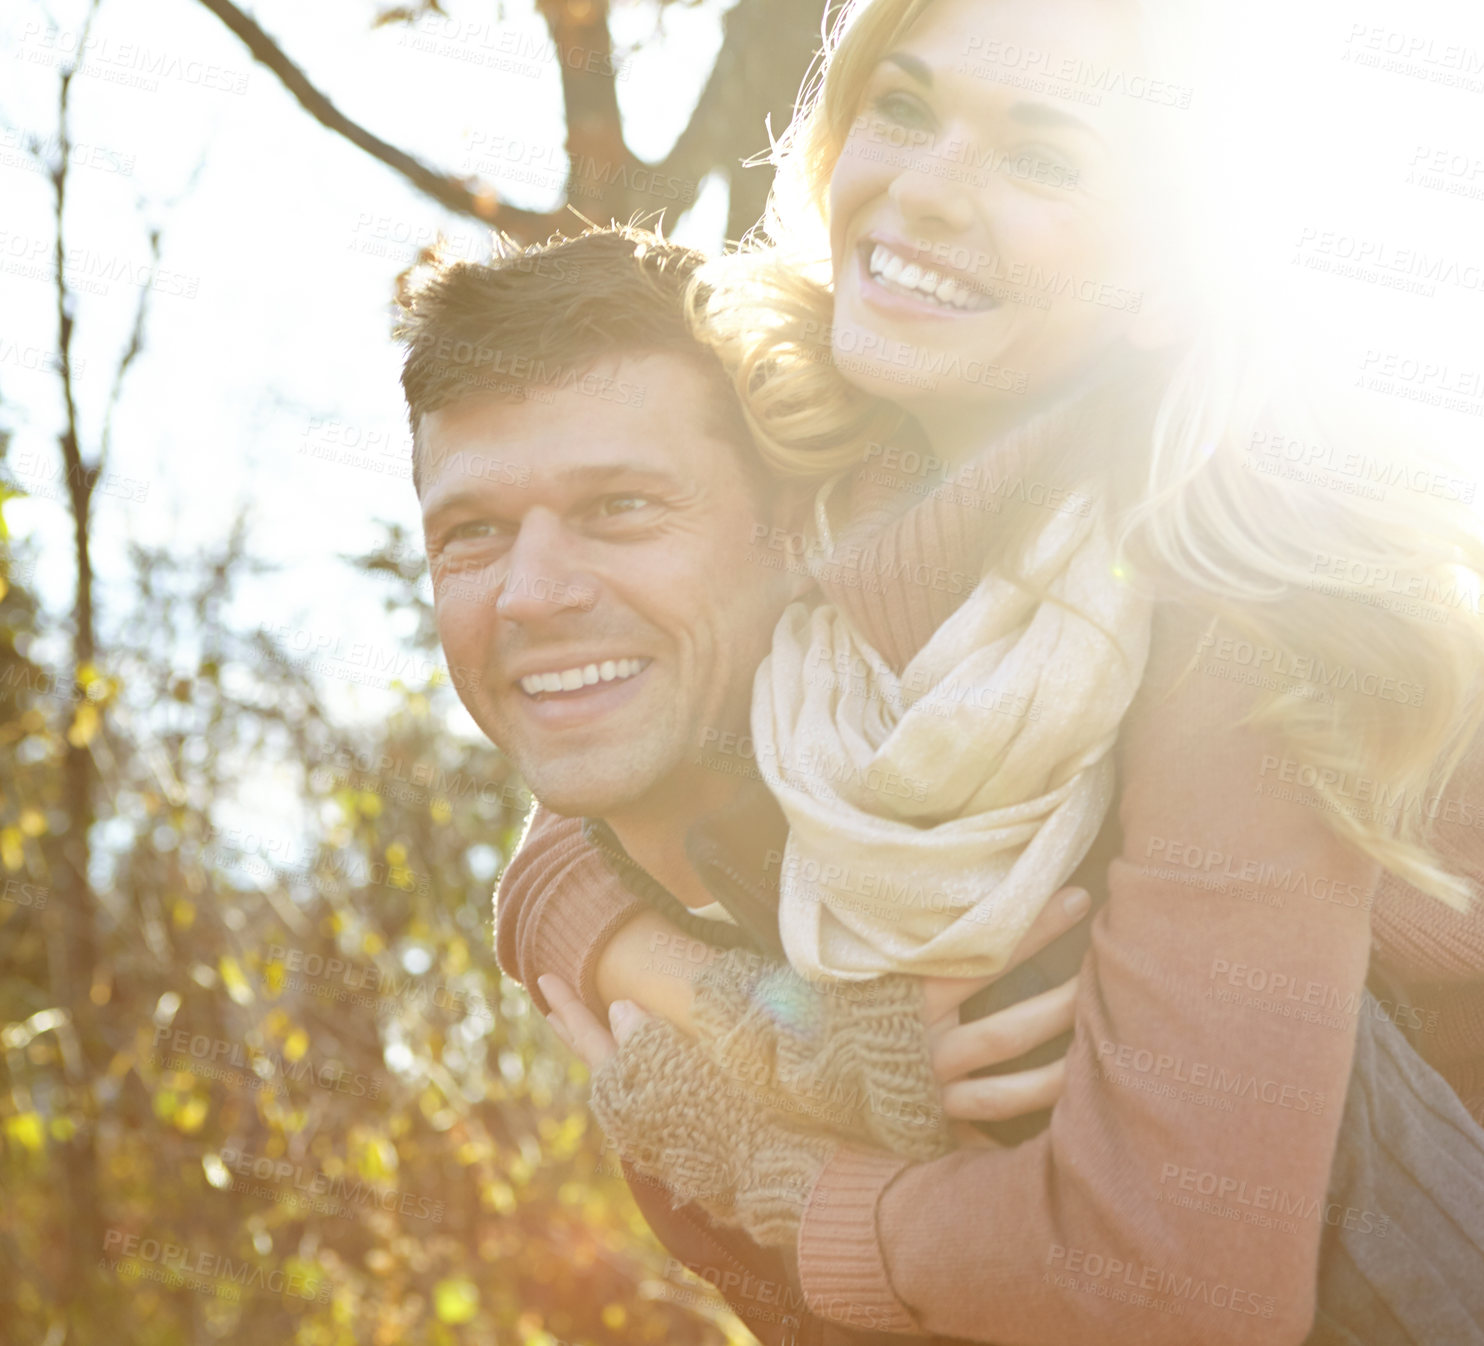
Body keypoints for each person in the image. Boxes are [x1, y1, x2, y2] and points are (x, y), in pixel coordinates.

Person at [493, 0, 1484, 1341]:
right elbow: (588, 763)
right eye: (902, 110)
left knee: (1023, 995)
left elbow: (1178, 1289)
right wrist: (702, 995)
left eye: (1044, 159)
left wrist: (805, 1180)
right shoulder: (805, 486)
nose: (925, 192)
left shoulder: (1238, 597)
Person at [396, 226, 1090, 1345]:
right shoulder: (649, 1040)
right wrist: (754, 1083)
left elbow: (1160, 1285)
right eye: (470, 533)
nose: (528, 592)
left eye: (618, 505)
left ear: (786, 527)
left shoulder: (990, 781)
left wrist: (778, 1156)